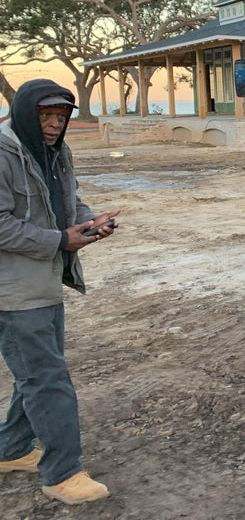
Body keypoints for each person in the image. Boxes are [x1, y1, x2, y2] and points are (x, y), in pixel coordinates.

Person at [0, 79, 120, 505]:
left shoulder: (56, 152)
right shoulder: (2, 153)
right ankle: (62, 474)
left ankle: (11, 450)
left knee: (35, 375)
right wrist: (59, 240)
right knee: (47, 381)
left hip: (46, 283)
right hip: (13, 292)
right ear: (25, 114)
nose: (54, 125)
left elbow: (69, 202)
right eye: (45, 116)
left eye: (61, 116)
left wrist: (90, 222)